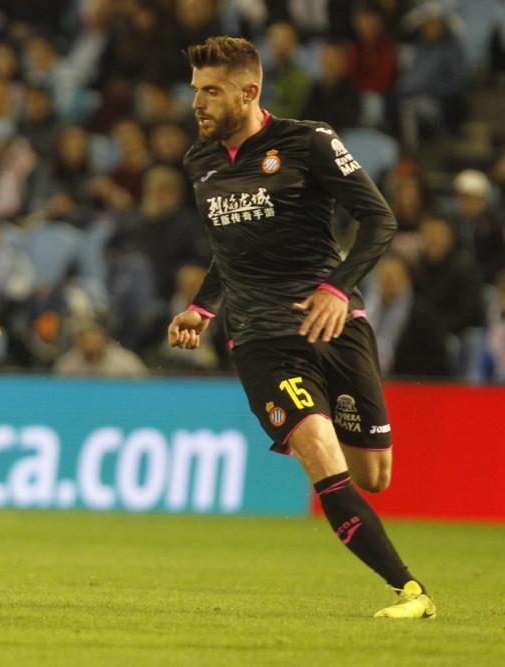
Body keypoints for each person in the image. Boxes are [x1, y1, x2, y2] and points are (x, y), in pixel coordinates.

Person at [167, 36, 435, 619]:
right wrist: (204, 307)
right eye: (196, 92)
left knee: (374, 474)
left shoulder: (308, 142)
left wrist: (337, 288)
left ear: (250, 92)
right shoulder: (200, 162)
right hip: (260, 338)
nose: (199, 104)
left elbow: (378, 219)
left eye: (212, 92)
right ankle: (410, 591)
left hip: (333, 323)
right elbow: (229, 247)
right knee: (315, 445)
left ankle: (311, 426)